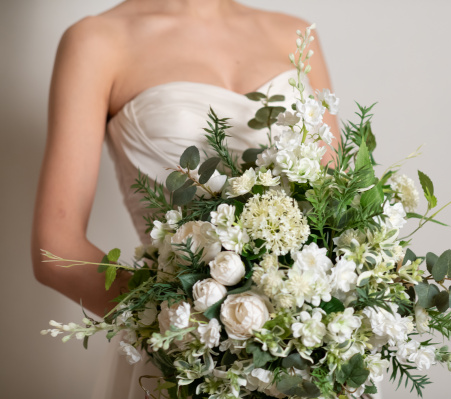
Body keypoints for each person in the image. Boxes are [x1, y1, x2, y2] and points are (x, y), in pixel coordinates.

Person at [30, 0, 339, 398]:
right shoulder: (97, 41)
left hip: (306, 351)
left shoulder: (294, 33)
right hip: (189, 364)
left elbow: (335, 203)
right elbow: (55, 250)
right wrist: (189, 326)